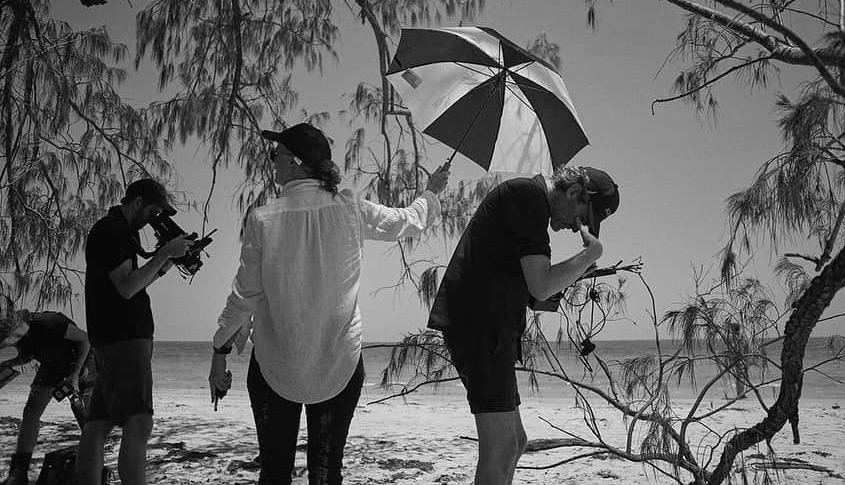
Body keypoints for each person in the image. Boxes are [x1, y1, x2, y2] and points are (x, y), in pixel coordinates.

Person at [208, 122, 450, 485]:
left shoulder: (262, 219)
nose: (272, 162)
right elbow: (407, 222)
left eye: (276, 155)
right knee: (325, 473)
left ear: (294, 162)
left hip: (276, 365)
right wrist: (431, 193)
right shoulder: (349, 206)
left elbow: (244, 296)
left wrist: (219, 352)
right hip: (339, 362)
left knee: (274, 473)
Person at [427, 166, 619, 485]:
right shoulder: (526, 197)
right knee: (501, 448)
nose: (577, 227)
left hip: (491, 329)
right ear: (573, 193)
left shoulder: (530, 204)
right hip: (481, 327)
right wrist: (590, 255)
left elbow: (530, 290)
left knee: (516, 442)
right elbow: (541, 285)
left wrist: (574, 274)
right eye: (582, 218)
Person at [76, 178, 194, 485]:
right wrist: (164, 253)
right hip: (123, 337)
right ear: (138, 201)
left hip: (111, 337)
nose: (154, 219)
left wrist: (167, 262)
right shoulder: (113, 231)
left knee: (98, 424)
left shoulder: (117, 230)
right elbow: (128, 288)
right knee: (139, 421)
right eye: (154, 211)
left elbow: (135, 281)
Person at [0, 310, 93, 485]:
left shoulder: (49, 322)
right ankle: (19, 473)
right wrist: (8, 364)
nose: (4, 347)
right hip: (52, 365)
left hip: (79, 359)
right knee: (31, 411)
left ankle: (94, 463)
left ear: (13, 331)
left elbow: (85, 339)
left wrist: (74, 374)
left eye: (4, 343)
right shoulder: (20, 336)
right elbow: (28, 356)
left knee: (80, 408)